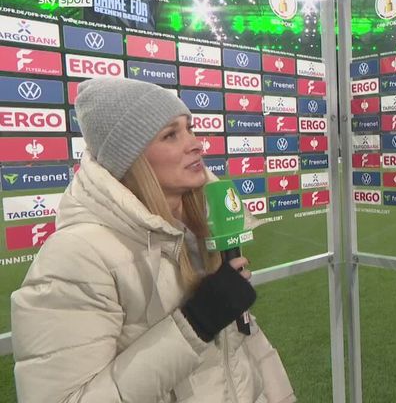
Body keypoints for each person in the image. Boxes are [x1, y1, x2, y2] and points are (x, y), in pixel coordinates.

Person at [11, 77, 295, 403]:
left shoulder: (199, 229)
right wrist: (195, 324)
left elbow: (247, 350)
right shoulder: (76, 256)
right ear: (131, 158)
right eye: (171, 134)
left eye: (189, 128)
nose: (196, 144)